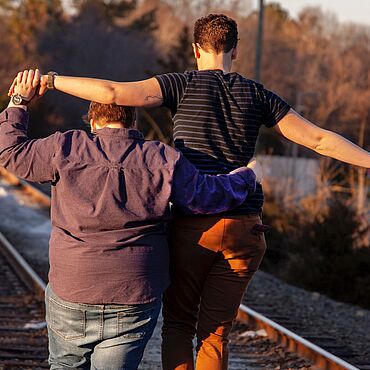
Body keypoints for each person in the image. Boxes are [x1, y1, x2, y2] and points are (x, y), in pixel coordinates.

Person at [10, 13, 370, 369]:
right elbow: (321, 140)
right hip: (245, 228)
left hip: (195, 228)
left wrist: (51, 80)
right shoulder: (260, 96)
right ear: (235, 50)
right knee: (215, 334)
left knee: (179, 325)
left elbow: (113, 93)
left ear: (196, 49)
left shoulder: (180, 84)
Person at [1, 69, 262, 370]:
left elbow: (9, 151)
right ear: (134, 121)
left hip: (72, 289)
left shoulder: (65, 147)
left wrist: (19, 102)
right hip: (133, 295)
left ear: (94, 121)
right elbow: (207, 197)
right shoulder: (161, 158)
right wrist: (247, 177)